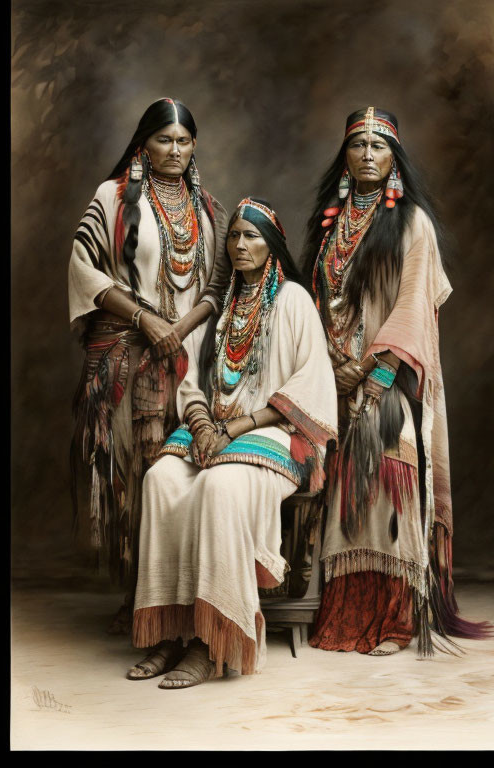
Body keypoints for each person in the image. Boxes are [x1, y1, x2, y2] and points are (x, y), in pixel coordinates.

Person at [126, 198, 337, 688]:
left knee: (218, 487)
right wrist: (202, 426)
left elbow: (312, 384)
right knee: (160, 479)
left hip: (278, 433)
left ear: (273, 245)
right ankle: (171, 633)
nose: (241, 245)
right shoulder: (223, 309)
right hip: (215, 430)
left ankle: (211, 640)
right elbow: (192, 381)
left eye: (253, 237)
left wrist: (236, 429)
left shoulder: (293, 301)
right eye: (235, 236)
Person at [305, 107, 492, 656]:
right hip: (329, 375)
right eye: (357, 145)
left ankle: (394, 618)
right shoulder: (330, 222)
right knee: (332, 471)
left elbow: (412, 308)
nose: (366, 155)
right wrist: (328, 366)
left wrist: (371, 373)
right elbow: (315, 304)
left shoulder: (413, 223)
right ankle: (342, 610)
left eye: (378, 146)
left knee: (388, 459)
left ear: (394, 158)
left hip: (390, 378)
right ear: (344, 157)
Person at [68, 98, 231, 633]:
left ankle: (179, 599)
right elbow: (83, 268)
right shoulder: (112, 197)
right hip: (124, 357)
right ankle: (140, 597)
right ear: (144, 144)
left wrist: (177, 330)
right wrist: (144, 319)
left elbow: (217, 284)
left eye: (185, 141)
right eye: (165, 140)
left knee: (176, 471)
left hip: (187, 361)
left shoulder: (206, 208)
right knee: (133, 478)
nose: (176, 150)